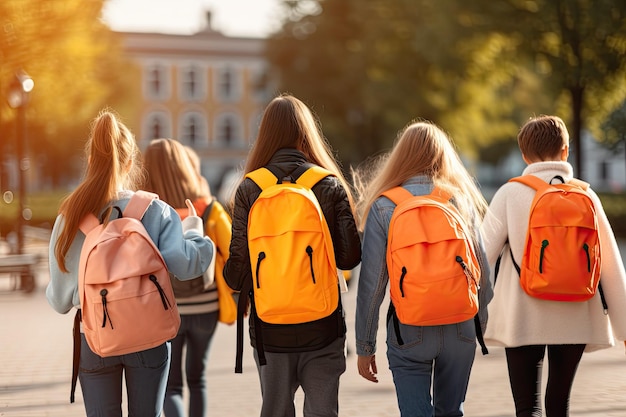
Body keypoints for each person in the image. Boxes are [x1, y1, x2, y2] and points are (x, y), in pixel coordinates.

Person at [46, 111, 214, 417]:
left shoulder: (69, 216)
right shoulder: (156, 210)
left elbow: (59, 301)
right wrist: (193, 230)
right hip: (147, 335)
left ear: (90, 160)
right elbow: (188, 266)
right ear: (129, 161)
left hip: (95, 337)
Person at [223, 93, 362, 417]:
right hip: (323, 325)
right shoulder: (327, 184)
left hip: (270, 328)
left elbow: (237, 273)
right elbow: (349, 258)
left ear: (265, 134)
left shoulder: (250, 188)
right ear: (306, 133)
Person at [480, 115, 626, 417]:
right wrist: (624, 328)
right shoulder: (587, 195)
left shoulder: (510, 193)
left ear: (524, 154)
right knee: (559, 404)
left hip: (523, 315)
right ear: (566, 150)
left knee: (527, 407)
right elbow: (610, 265)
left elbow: (482, 256)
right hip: (576, 313)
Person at [354, 120, 493, 416]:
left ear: (400, 156)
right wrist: (478, 326)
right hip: (460, 326)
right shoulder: (460, 200)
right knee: (451, 412)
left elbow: (372, 287)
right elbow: (483, 273)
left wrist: (365, 346)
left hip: (409, 330)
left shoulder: (383, 206)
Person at [143, 138, 232, 417]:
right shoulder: (210, 207)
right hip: (207, 307)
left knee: (171, 387)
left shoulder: (145, 211)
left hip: (166, 308)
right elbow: (233, 252)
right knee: (198, 378)